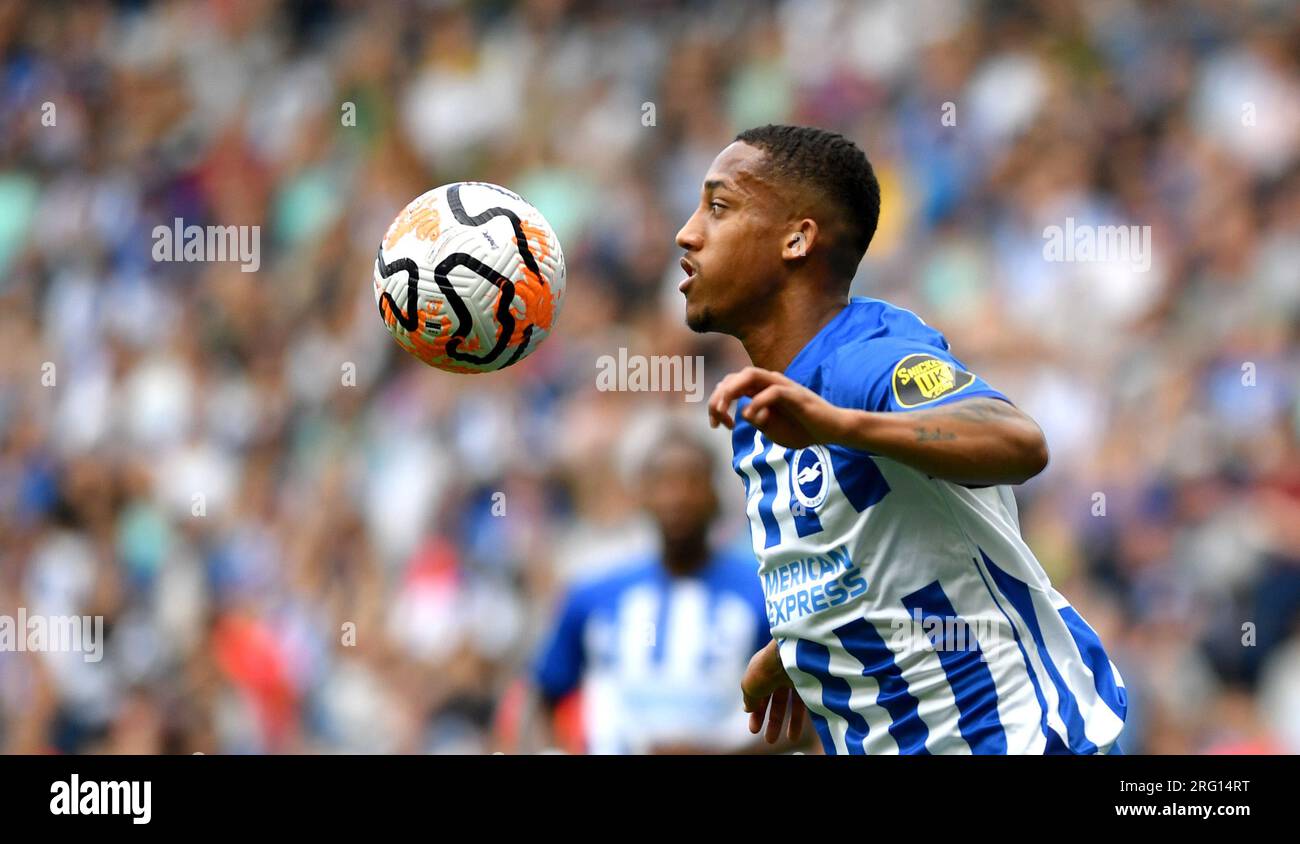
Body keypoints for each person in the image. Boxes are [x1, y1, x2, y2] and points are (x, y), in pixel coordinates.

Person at [674, 124, 1127, 755]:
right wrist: (798, 647)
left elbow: (1017, 440)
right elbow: (878, 562)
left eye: (718, 207)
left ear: (797, 238)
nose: (687, 232)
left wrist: (838, 425)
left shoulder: (865, 358)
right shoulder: (762, 413)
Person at [527, 421, 780, 754]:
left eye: (692, 480)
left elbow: (801, 721)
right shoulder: (592, 594)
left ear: (716, 495)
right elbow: (542, 697)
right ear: (641, 495)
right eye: (664, 482)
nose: (678, 496)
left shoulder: (761, 594)